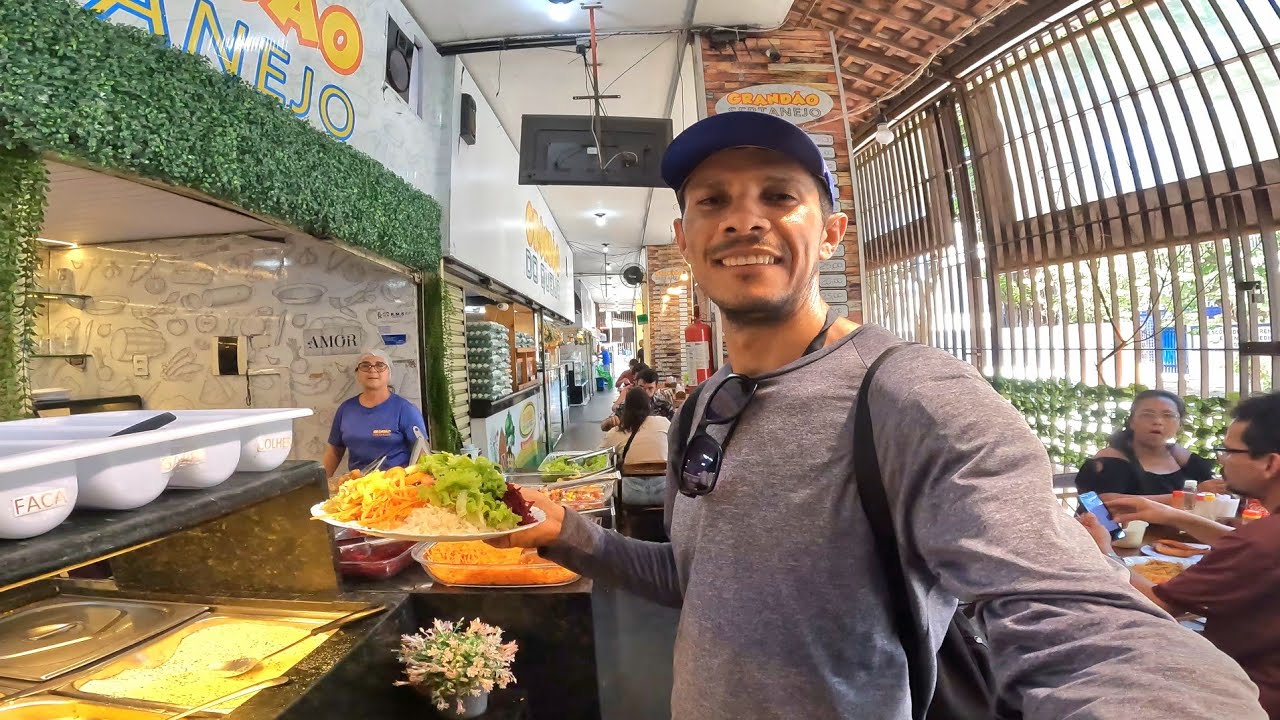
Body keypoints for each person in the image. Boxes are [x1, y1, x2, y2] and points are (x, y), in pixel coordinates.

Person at [490, 111, 1264, 718]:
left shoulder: (913, 394)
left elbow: (1075, 613)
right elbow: (702, 582)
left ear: (830, 234)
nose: (743, 219)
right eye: (712, 201)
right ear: (685, 240)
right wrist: (570, 536)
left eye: (779, 196)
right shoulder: (704, 407)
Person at [1079, 391, 1280, 717]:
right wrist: (1172, 515)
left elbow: (1158, 604)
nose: (1221, 461)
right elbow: (1246, 544)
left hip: (1243, 696)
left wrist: (1102, 552)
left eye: (1229, 452)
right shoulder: (1263, 538)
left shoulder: (1262, 541)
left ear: (1271, 463)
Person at [1076, 389, 1224, 498]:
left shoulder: (1183, 459)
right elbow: (1107, 502)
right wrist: (1189, 497)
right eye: (1147, 415)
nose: (1157, 421)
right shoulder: (1111, 459)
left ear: (1179, 425)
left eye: (1168, 416)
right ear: (1132, 422)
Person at [322, 350, 426, 479]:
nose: (372, 370)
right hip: (357, 485)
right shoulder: (346, 409)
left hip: (396, 486)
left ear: (389, 374)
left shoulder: (405, 410)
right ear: (357, 374)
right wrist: (320, 483)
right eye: (365, 366)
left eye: (380, 365)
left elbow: (422, 453)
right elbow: (335, 451)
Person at [600, 387, 671, 467]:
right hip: (664, 474)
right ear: (649, 406)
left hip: (628, 474)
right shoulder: (664, 422)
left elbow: (599, 456)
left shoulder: (617, 432)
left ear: (625, 408)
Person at [600, 368, 674, 431]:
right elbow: (604, 427)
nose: (645, 392)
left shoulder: (664, 406)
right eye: (641, 387)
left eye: (650, 388)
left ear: (656, 388)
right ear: (636, 385)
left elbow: (675, 428)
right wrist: (609, 423)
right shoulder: (629, 405)